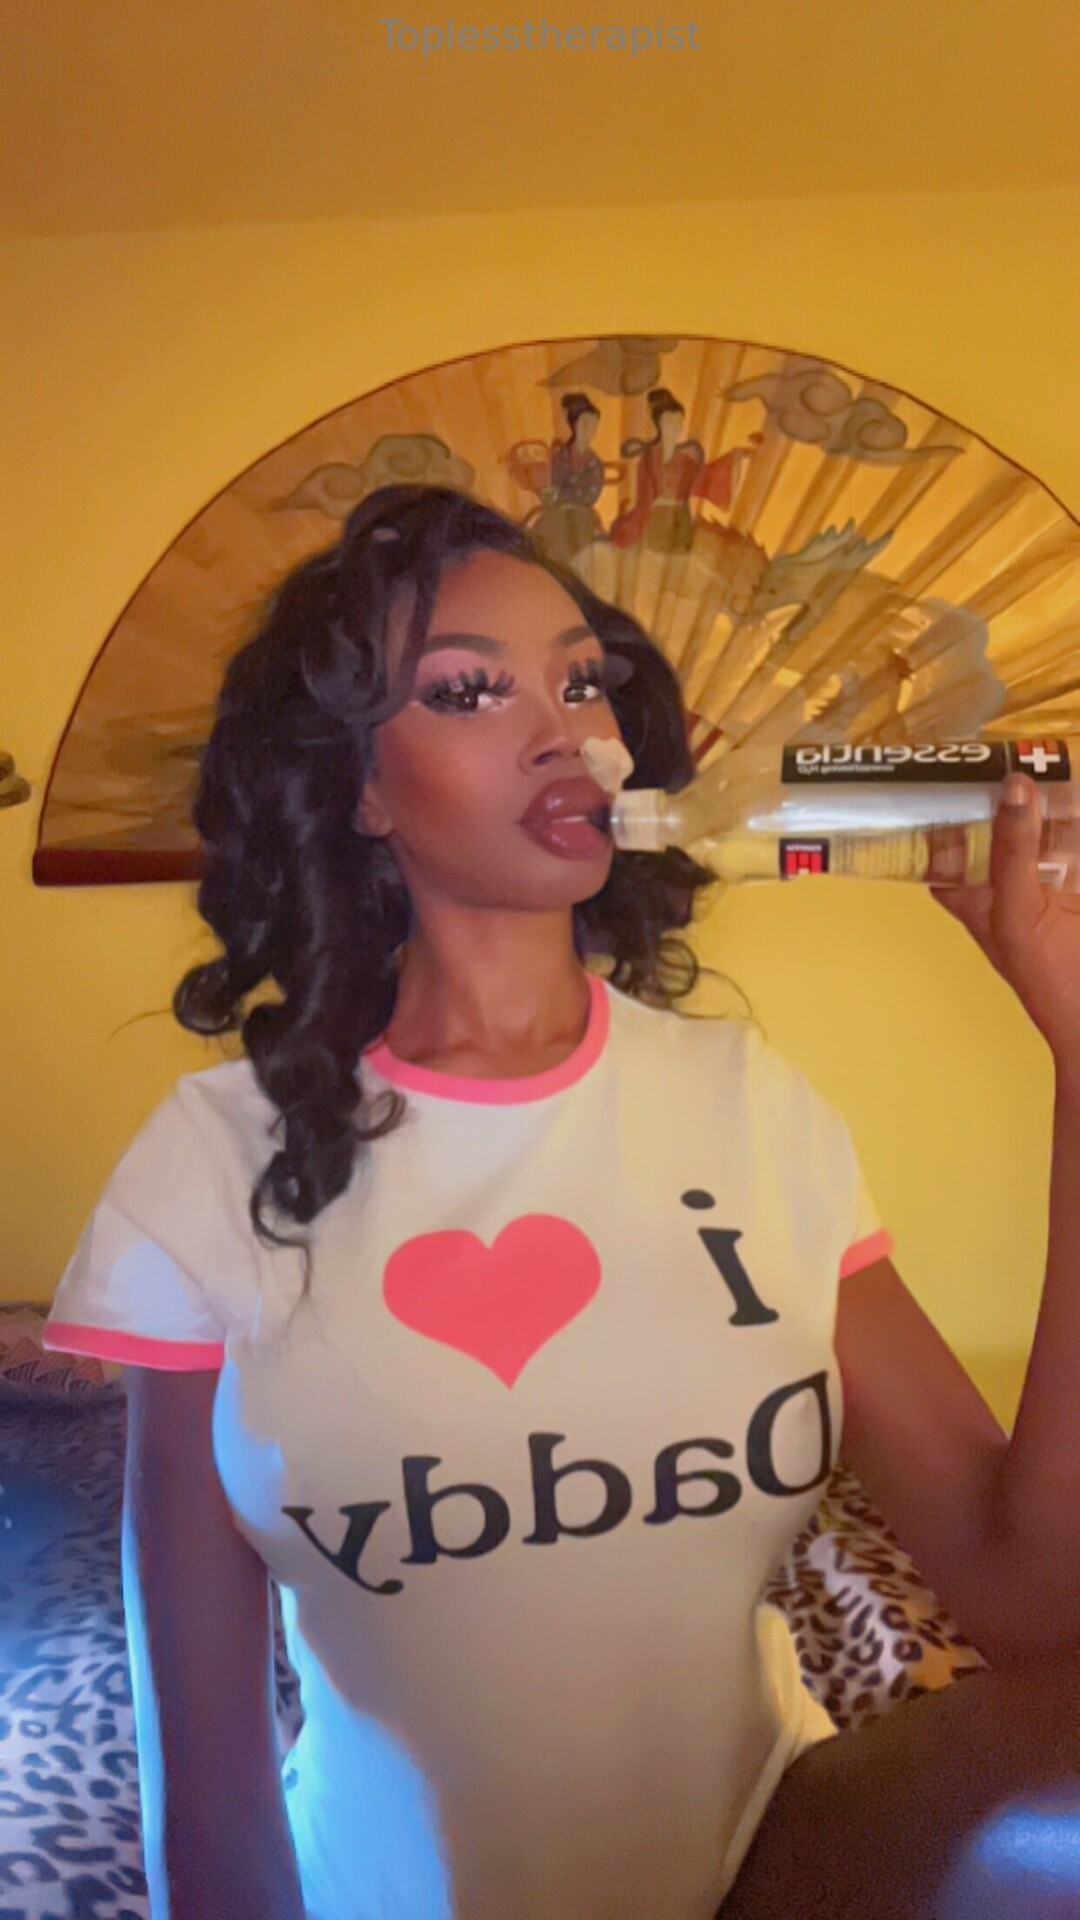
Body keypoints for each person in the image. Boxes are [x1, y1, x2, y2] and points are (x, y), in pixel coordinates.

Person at [43, 483, 1080, 1920]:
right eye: (468, 692)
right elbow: (208, 1791)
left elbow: (1033, 1599)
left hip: (779, 1876)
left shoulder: (750, 1106)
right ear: (360, 788)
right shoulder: (208, 1166)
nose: (563, 731)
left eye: (582, 681)